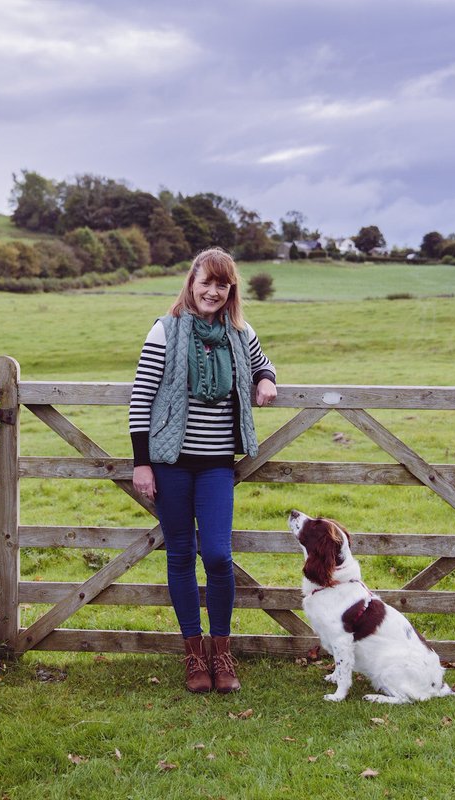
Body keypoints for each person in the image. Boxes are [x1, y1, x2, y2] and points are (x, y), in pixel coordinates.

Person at [128, 247, 277, 693]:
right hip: (170, 464)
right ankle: (194, 656)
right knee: (179, 555)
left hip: (216, 465)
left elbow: (262, 362)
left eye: (222, 284)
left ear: (231, 290)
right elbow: (140, 400)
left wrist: (266, 379)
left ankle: (222, 650)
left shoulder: (239, 331)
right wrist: (142, 464)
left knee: (216, 554)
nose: (212, 291)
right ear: (191, 283)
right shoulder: (165, 331)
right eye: (205, 281)